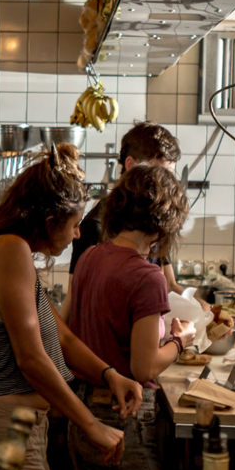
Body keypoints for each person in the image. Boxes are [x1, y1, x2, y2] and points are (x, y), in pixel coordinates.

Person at [0, 144, 143, 470]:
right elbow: (30, 358)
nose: (76, 235)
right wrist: (90, 425)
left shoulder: (15, 252)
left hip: (14, 429)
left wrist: (110, 374)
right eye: (74, 225)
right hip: (1, 432)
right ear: (49, 220)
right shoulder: (10, 251)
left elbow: (63, 337)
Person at [67, 164, 194, 470]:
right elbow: (144, 367)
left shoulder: (91, 256)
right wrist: (180, 341)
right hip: (126, 421)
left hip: (86, 416)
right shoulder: (146, 274)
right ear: (163, 224)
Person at [62, 122, 186, 322]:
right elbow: (76, 296)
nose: (166, 183)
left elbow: (169, 284)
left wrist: (207, 307)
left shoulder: (156, 221)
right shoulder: (96, 225)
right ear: (130, 165)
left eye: (169, 175)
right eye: (159, 173)